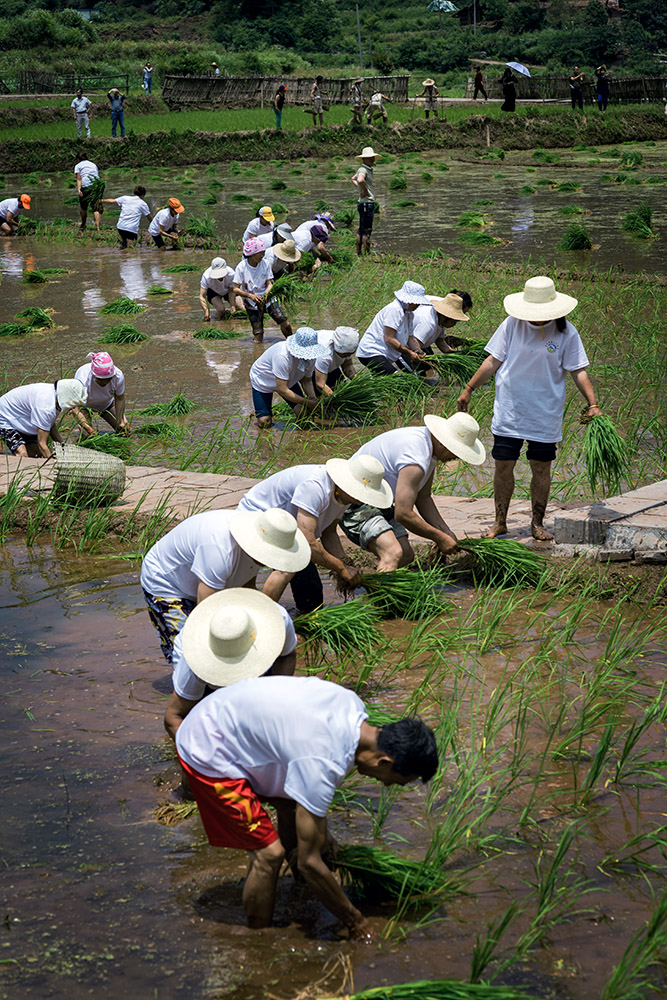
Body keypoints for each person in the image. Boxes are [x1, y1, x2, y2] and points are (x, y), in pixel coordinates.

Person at [175, 675, 438, 935]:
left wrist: (323, 834)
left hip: (226, 715)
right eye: (397, 781)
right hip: (207, 745)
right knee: (269, 854)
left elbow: (305, 774)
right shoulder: (323, 761)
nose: (389, 786)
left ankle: (298, 892)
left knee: (295, 811)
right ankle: (258, 939)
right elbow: (310, 863)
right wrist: (357, 923)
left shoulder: (352, 706)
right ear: (383, 762)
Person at [457, 275, 601, 541]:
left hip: (544, 413)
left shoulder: (567, 332)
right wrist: (469, 388)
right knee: (503, 465)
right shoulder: (512, 324)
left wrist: (592, 404)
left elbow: (578, 371)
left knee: (540, 467)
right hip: (510, 409)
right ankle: (500, 521)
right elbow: (493, 360)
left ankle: (537, 523)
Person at [140, 506, 310, 665]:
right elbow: (205, 611)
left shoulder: (257, 539)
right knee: (190, 651)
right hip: (166, 582)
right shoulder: (220, 550)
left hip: (200, 580)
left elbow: (246, 588)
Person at [239, 455, 390, 612]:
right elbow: (308, 541)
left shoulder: (345, 495)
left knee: (312, 600)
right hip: (258, 520)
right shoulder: (315, 487)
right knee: (287, 567)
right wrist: (341, 568)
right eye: (359, 496)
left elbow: (329, 532)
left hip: (290, 532)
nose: (360, 502)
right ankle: (264, 618)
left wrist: (345, 563)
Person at [340, 413, 485, 569]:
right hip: (353, 502)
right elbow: (403, 514)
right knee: (393, 553)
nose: (457, 457)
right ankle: (377, 593)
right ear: (446, 444)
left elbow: (423, 497)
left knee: (406, 555)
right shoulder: (416, 457)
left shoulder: (429, 447)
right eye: (458, 452)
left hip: (378, 501)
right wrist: (439, 537)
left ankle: (383, 583)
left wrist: (445, 531)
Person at [164, 588, 298, 740]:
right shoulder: (195, 664)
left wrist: (274, 698)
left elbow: (286, 656)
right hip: (204, 669)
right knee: (207, 725)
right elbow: (173, 718)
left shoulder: (278, 621)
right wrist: (202, 755)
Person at [249, 327, 326, 429]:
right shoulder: (282, 356)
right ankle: (259, 412)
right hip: (264, 380)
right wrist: (307, 402)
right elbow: (282, 390)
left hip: (288, 378)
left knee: (303, 414)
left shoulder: (311, 358)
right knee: (264, 422)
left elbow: (306, 380)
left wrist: (313, 399)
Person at [357, 280, 432, 375]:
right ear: (407, 299)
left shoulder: (409, 314)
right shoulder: (394, 309)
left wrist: (419, 351)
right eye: (415, 302)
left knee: (383, 382)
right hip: (371, 351)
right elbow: (389, 338)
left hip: (385, 353)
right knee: (396, 379)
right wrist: (409, 353)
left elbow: (410, 337)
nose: (417, 305)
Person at [0, 379, 87, 459]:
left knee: (35, 454)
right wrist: (52, 466)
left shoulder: (55, 396)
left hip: (24, 418)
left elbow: (50, 425)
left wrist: (63, 447)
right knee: (22, 453)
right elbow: (42, 444)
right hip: (5, 415)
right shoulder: (45, 407)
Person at [233, 236, 293, 342]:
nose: (262, 255)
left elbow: (269, 283)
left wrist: (267, 292)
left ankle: (292, 341)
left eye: (263, 252)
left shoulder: (265, 264)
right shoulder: (241, 267)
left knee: (285, 323)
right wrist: (250, 296)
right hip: (251, 302)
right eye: (260, 253)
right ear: (252, 254)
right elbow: (235, 289)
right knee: (258, 335)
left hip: (268, 299)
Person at [409, 291, 473, 371]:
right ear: (447, 316)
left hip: (416, 345)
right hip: (402, 349)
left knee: (428, 371)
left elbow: (440, 341)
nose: (454, 324)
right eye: (455, 321)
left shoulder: (440, 321)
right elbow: (414, 347)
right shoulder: (429, 324)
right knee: (419, 377)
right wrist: (436, 365)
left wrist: (456, 355)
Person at [72, 351, 129, 437]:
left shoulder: (118, 376)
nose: (105, 382)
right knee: (87, 435)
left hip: (107, 404)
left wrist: (121, 420)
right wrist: (89, 429)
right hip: (84, 405)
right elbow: (75, 409)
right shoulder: (82, 379)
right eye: (101, 379)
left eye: (108, 379)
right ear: (94, 375)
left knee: (124, 432)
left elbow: (120, 399)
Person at [101, 185, 152, 249]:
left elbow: (112, 201)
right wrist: (155, 225)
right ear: (143, 195)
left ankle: (122, 255)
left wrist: (101, 201)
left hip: (120, 227)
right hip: (131, 229)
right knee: (131, 249)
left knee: (124, 245)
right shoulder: (143, 204)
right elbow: (149, 217)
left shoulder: (125, 198)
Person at [314, 326, 359, 396]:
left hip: (330, 366)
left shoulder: (348, 341)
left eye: (350, 354)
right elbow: (320, 383)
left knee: (343, 391)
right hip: (313, 368)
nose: (347, 356)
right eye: (345, 354)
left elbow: (348, 366)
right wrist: (335, 397)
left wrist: (358, 381)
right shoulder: (324, 354)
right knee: (322, 399)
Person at [351, 145, 378, 256]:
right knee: (367, 230)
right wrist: (365, 191)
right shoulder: (363, 169)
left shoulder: (364, 169)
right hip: (367, 203)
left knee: (361, 228)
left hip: (363, 203)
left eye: (372, 157)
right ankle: (366, 254)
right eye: (369, 157)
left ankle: (359, 253)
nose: (372, 159)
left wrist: (361, 189)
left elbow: (354, 178)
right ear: (363, 159)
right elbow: (360, 179)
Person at [199, 256, 238, 321]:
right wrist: (206, 311)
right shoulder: (206, 276)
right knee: (221, 309)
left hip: (228, 290)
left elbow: (231, 291)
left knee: (241, 307)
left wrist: (232, 306)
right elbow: (202, 296)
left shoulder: (231, 274)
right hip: (213, 291)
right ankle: (215, 321)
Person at [74, 155, 103, 234]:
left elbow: (79, 178)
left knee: (83, 207)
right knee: (96, 207)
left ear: (78, 159)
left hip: (86, 186)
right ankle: (98, 228)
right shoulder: (93, 164)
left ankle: (83, 225)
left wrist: (79, 189)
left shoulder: (78, 166)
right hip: (97, 185)